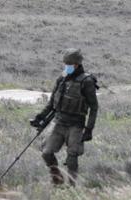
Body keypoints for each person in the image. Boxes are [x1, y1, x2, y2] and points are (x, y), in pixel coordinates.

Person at [30, 48, 99, 186]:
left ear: (77, 64)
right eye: (66, 63)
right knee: (47, 153)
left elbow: (94, 107)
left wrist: (89, 129)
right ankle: (57, 180)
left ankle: (72, 186)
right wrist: (39, 118)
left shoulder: (87, 81)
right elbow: (52, 104)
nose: (67, 66)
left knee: (72, 156)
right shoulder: (61, 79)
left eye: (70, 64)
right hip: (59, 123)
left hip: (76, 125)